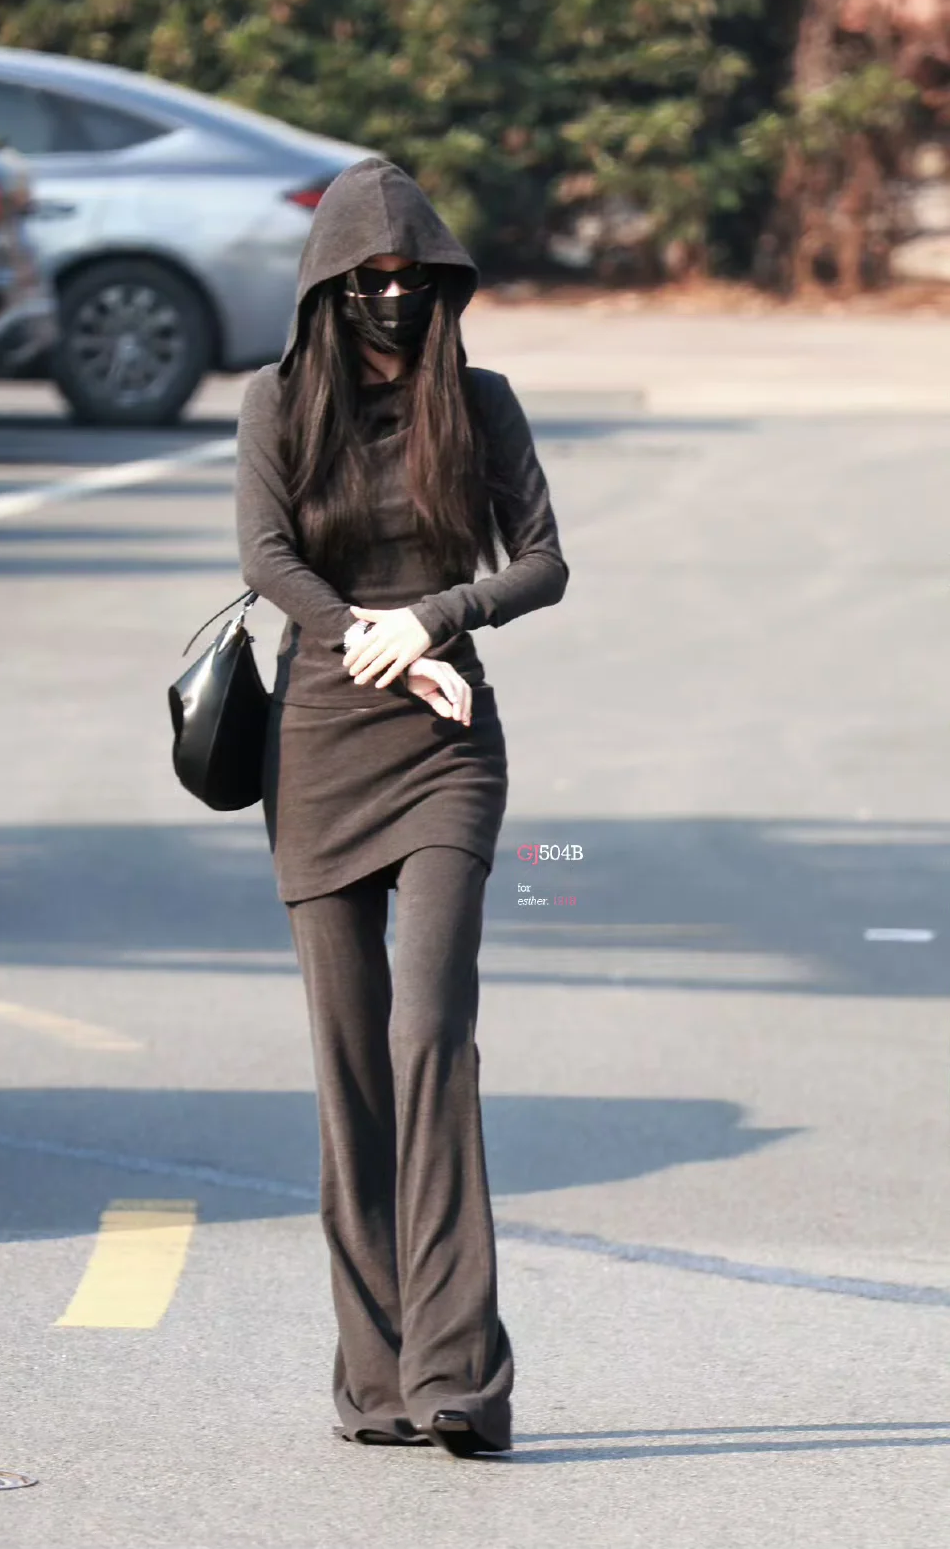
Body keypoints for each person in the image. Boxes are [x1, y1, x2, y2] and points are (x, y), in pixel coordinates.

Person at [234, 156, 569, 1457]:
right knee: (350, 1066)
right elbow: (266, 555)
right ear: (329, 288)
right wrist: (362, 636)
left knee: (429, 1031)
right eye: (368, 279)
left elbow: (543, 562)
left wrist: (434, 620)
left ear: (442, 284)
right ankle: (374, 1381)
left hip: (446, 747)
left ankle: (459, 1379)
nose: (390, 296)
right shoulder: (280, 403)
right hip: (320, 746)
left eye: (411, 277)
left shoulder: (479, 403)